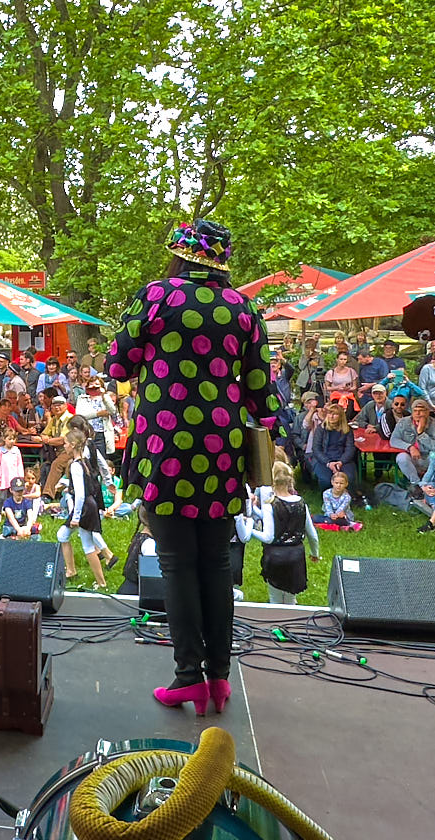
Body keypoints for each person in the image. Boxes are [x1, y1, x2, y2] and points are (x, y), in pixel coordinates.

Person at [106, 218, 277, 719]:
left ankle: (188, 679)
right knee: (217, 562)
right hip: (222, 447)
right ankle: (219, 678)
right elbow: (261, 392)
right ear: (222, 262)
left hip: (166, 444)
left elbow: (118, 365)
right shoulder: (243, 307)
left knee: (177, 563)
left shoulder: (157, 296)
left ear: (180, 255)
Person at [44, 418, 113, 588]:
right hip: (89, 505)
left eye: (66, 444)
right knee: (77, 540)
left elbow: (81, 494)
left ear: (73, 445)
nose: (64, 446)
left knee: (79, 541)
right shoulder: (84, 460)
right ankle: (95, 579)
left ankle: (96, 578)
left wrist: (75, 517)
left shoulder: (75, 466)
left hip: (84, 508)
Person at [242, 463, 319, 604]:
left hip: (275, 557)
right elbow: (312, 534)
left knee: (275, 599)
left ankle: (277, 617)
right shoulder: (301, 503)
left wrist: (250, 528)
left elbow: (268, 537)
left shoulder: (271, 504)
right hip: (295, 556)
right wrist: (315, 553)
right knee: (291, 598)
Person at [390, 398, 435, 486]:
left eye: (421, 411)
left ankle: (430, 483)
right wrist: (410, 447)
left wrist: (421, 433)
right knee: (401, 458)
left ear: (427, 412)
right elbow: (394, 440)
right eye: (415, 411)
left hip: (428, 457)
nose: (418, 413)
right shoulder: (403, 422)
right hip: (412, 457)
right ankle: (416, 484)